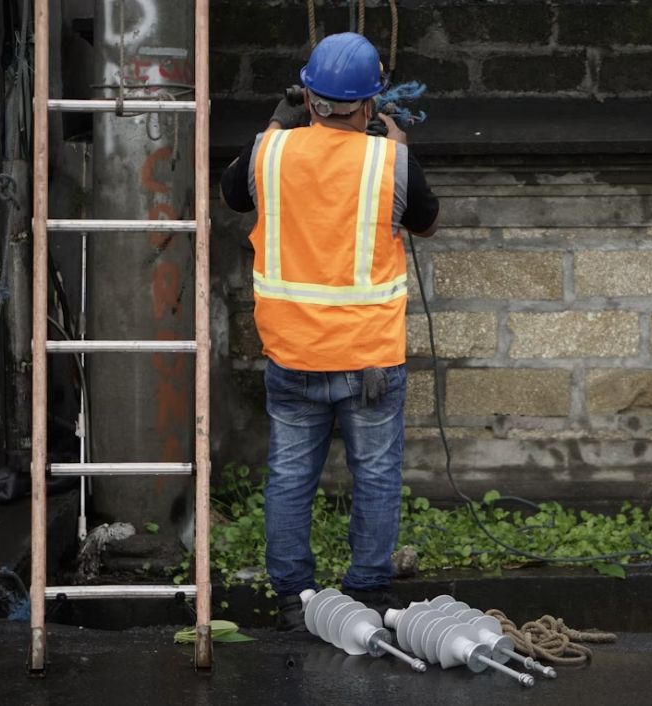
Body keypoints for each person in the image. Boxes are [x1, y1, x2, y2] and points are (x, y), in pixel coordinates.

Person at [220, 32, 440, 631]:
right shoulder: (389, 161)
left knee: (291, 478)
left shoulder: (268, 151)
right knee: (375, 476)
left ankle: (295, 601)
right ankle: (366, 596)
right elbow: (425, 222)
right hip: (370, 359)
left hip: (292, 355)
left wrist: (275, 121)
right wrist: (399, 145)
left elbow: (233, 193)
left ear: (308, 96)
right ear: (368, 104)